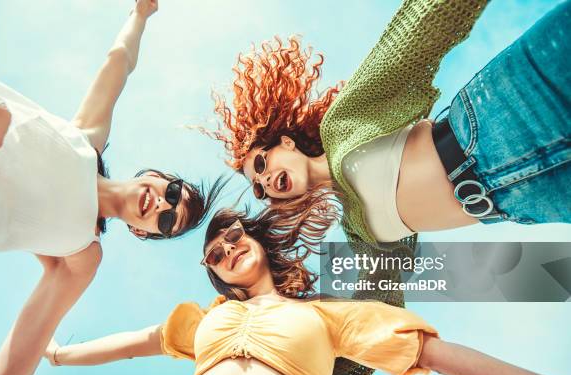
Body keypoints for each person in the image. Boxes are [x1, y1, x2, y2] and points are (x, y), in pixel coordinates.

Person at [0, 1, 224, 375]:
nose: (164, 206)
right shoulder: (86, 139)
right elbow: (118, 64)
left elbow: (23, 350)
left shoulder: (80, 256)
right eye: (173, 192)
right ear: (154, 175)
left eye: (169, 222)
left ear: (141, 231)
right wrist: (141, 14)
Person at [43, 207, 571, 375]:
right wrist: (61, 356)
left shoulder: (324, 314)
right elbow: (133, 345)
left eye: (232, 237)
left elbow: (437, 356)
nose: (227, 250)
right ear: (215, 276)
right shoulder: (204, 321)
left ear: (258, 242)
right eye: (215, 255)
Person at [203, 0, 570, 246]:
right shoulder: (359, 232)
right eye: (260, 190)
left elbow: (416, 38)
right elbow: (379, 313)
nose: (265, 181)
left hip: (508, 110)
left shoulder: (340, 125)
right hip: (529, 200)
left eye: (261, 164)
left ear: (285, 143)